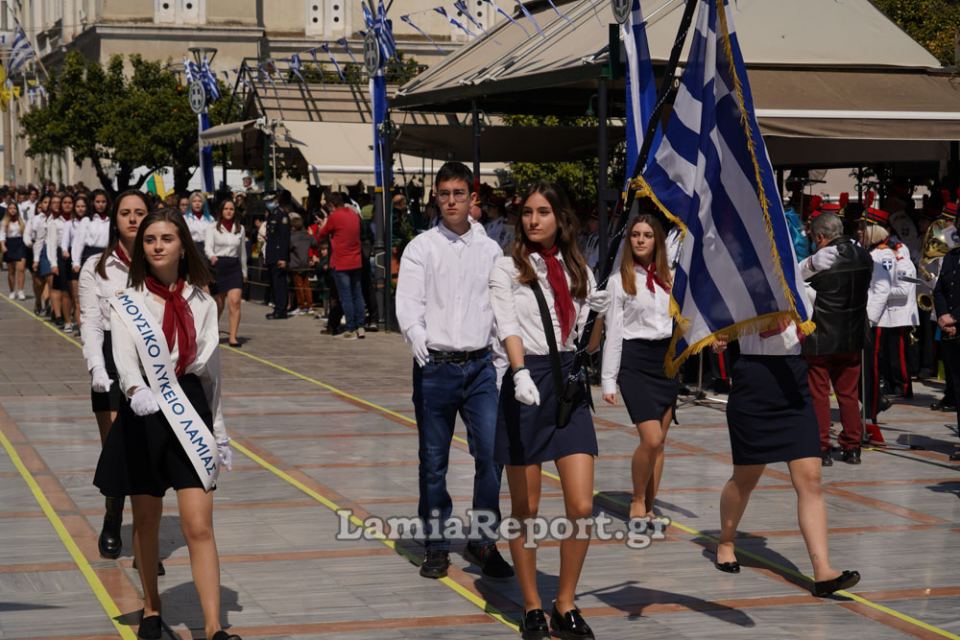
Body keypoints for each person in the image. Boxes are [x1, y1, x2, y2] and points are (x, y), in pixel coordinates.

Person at [93, 208, 240, 640]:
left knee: (199, 524)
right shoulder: (127, 301)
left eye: (167, 238)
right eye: (151, 239)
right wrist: (136, 392)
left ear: (182, 246)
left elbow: (212, 373)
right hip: (146, 414)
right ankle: (152, 607)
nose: (158, 245)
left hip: (189, 408)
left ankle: (214, 627)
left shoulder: (202, 300)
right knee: (147, 521)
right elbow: (123, 359)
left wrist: (219, 431)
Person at [490, 181, 609, 640]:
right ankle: (533, 606)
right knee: (527, 507)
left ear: (561, 218)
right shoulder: (507, 268)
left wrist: (600, 311)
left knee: (580, 504)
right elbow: (508, 323)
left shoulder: (580, 269)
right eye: (527, 212)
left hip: (570, 386)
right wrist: (517, 371)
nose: (533, 220)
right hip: (527, 383)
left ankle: (566, 603)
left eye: (543, 212)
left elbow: (588, 346)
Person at [711, 245, 861, 597]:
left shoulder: (800, 288)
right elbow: (753, 298)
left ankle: (823, 570)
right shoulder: (743, 287)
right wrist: (720, 333)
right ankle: (726, 540)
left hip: (793, 384)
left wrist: (808, 267)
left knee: (810, 477)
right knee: (746, 477)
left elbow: (791, 288)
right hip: (754, 382)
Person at [395, 161, 513, 582]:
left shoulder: (491, 251)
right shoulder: (421, 247)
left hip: (480, 367)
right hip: (436, 367)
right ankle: (437, 544)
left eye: (458, 193)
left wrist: (501, 366)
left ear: (471, 197)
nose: (451, 201)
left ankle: (483, 539)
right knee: (433, 461)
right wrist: (416, 334)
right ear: (436, 198)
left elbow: (500, 311)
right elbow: (407, 301)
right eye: (444, 193)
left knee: (491, 454)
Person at [78, 190, 149, 560]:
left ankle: (144, 540)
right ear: (115, 219)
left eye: (140, 212)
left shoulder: (160, 262)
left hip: (148, 357)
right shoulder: (96, 266)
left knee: (146, 450)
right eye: (126, 213)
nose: (133, 219)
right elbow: (89, 322)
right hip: (108, 355)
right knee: (116, 448)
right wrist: (96, 367)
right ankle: (112, 514)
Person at [601, 214, 677, 520]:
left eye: (647, 235)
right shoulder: (619, 281)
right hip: (634, 361)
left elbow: (685, 320)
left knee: (660, 444)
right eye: (635, 235)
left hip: (666, 362)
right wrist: (608, 380)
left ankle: (650, 505)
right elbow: (613, 333)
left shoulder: (671, 278)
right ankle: (636, 499)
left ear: (657, 240)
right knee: (651, 438)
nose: (641, 240)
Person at [801, 213, 873, 465]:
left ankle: (821, 446)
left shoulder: (823, 261)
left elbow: (799, 282)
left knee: (819, 394)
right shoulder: (864, 255)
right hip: (851, 334)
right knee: (848, 394)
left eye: (814, 238)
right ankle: (852, 447)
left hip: (822, 336)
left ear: (820, 237)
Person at [859, 218, 894, 427]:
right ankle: (874, 400)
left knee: (869, 366)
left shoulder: (883, 256)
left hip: (874, 320)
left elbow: (882, 289)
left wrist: (870, 318)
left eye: (863, 230)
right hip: (865, 317)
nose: (859, 233)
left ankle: (873, 404)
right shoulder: (871, 253)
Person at [317, 192, 365, 338]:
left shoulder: (334, 217)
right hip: (356, 260)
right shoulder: (354, 214)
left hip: (341, 262)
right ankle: (360, 325)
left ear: (331, 205)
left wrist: (322, 224)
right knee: (357, 294)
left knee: (346, 296)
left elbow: (321, 235)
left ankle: (351, 327)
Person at [205, 198, 247, 347]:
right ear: (221, 211)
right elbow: (208, 246)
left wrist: (244, 270)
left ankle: (233, 337)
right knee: (218, 304)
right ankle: (212, 331)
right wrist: (212, 256)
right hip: (218, 266)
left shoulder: (240, 228)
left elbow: (242, 251)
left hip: (234, 266)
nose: (229, 211)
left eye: (232, 209)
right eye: (226, 209)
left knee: (235, 303)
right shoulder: (212, 228)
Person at [263, 195, 291, 319]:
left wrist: (283, 258)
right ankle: (277, 308)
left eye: (269, 201)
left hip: (279, 255)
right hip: (272, 254)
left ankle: (281, 310)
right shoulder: (271, 214)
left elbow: (284, 239)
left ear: (276, 201)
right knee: (274, 284)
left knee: (279, 284)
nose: (267, 203)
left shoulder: (282, 215)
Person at [72, 190, 111, 271]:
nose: (101, 204)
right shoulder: (87, 220)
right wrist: (76, 262)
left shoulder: (111, 220)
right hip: (90, 255)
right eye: (98, 202)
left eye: (103, 202)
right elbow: (79, 242)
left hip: (107, 256)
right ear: (92, 202)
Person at [288, 213, 317, 316]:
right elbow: (315, 244)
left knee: (298, 286)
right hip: (306, 263)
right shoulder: (307, 236)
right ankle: (309, 305)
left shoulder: (291, 237)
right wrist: (311, 234)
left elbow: (288, 248)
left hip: (296, 264)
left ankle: (301, 306)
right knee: (307, 285)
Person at [26, 195, 51, 314]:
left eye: (49, 202)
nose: (47, 204)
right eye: (45, 202)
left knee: (50, 279)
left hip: (51, 251)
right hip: (36, 250)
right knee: (39, 282)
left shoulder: (55, 218)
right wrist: (29, 243)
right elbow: (28, 234)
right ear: (41, 204)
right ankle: (38, 301)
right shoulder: (35, 219)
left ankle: (49, 303)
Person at [1, 202, 27, 299]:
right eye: (10, 208)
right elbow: (2, 234)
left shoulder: (22, 221)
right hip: (9, 244)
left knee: (21, 269)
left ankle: (20, 290)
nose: (12, 210)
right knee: (11, 270)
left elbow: (26, 233)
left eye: (14, 208)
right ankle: (12, 290)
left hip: (20, 243)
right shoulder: (4, 222)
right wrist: (3, 245)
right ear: (8, 210)